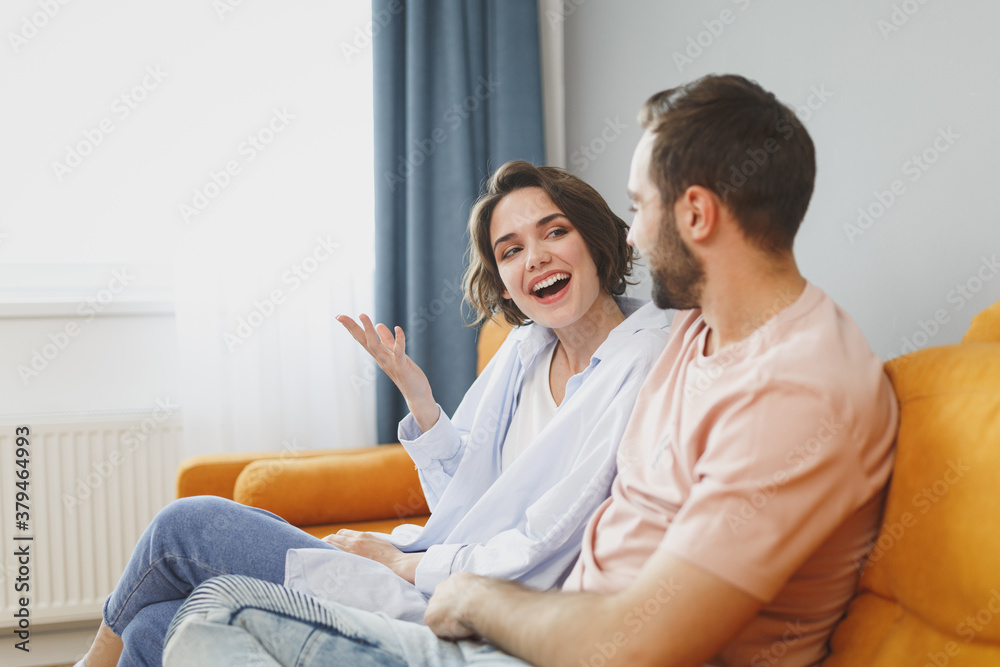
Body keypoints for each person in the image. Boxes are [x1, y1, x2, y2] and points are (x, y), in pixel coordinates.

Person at [162, 74, 899, 667]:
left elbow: (635, 644)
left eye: (640, 206)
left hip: (563, 640)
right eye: (512, 248)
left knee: (216, 601)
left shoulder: (795, 391)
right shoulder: (700, 333)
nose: (631, 230)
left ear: (696, 214)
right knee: (163, 620)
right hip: (543, 622)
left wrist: (473, 596)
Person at [77, 160, 670, 666]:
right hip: (430, 569)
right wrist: (419, 397)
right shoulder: (526, 347)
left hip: (478, 603)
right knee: (157, 624)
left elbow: (547, 540)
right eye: (510, 250)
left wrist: (395, 560)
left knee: (186, 526)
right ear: (505, 282)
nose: (534, 258)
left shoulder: (644, 360)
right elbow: (461, 499)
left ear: (595, 239)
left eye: (554, 232)